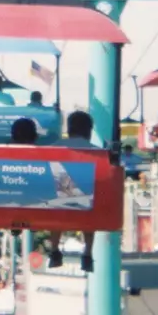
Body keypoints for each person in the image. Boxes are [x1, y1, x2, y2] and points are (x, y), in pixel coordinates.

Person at [47, 111, 99, 272]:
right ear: (89, 130)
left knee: (59, 197)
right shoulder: (97, 152)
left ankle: (55, 249)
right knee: (88, 201)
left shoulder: (54, 148)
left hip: (59, 202)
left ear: (69, 129)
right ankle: (88, 252)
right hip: (86, 206)